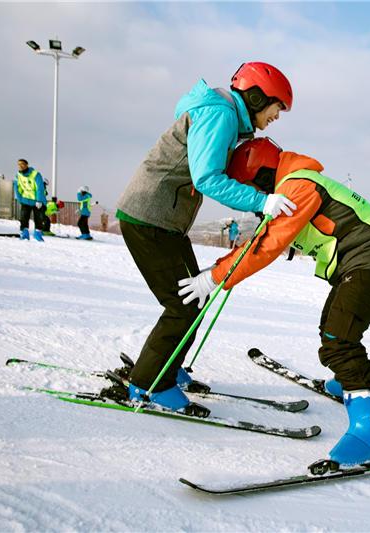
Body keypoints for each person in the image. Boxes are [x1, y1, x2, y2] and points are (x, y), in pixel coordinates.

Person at [178, 138, 370, 466]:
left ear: (260, 176)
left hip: (368, 260)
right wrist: (222, 268)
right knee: (333, 329)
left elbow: (269, 244)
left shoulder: (296, 187)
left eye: (250, 188)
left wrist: (217, 277)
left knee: (338, 340)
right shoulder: (293, 183)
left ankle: (368, 430)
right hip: (363, 260)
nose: (254, 201)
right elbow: (260, 238)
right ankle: (354, 383)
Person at [115, 62, 296, 414]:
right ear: (257, 96)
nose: (277, 115)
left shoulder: (222, 115)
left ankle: (168, 367)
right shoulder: (220, 115)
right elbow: (207, 178)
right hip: (148, 218)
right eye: (277, 107)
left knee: (195, 299)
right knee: (181, 305)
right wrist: (263, 200)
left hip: (164, 221)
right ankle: (149, 384)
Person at [14, 159, 46, 241]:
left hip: (37, 201)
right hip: (25, 199)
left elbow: (40, 188)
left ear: (27, 165)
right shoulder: (18, 175)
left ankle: (37, 234)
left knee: (39, 218)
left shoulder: (36, 174)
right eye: (19, 164)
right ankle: (24, 233)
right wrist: (20, 198)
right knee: (24, 217)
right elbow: (17, 187)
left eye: (22, 164)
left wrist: (39, 200)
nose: (20, 166)